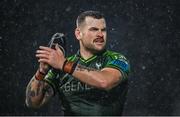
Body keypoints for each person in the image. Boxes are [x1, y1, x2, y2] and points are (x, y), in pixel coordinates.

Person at [25, 10, 130, 115]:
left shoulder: (117, 59)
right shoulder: (61, 66)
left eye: (103, 30)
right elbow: (33, 103)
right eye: (94, 30)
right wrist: (42, 71)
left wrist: (63, 64)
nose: (100, 34)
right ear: (78, 34)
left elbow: (104, 81)